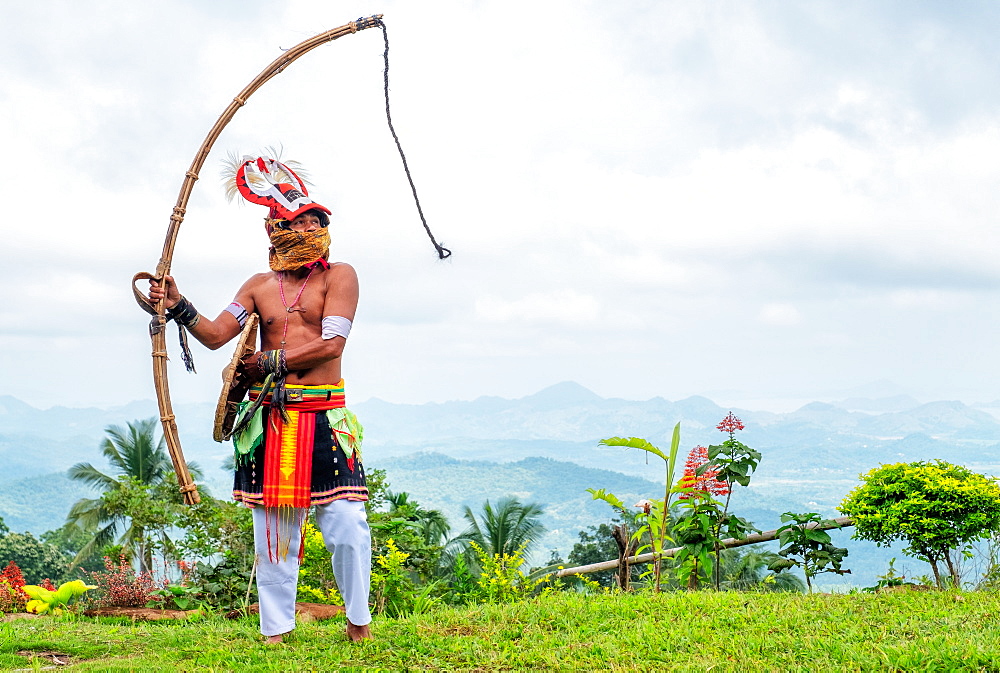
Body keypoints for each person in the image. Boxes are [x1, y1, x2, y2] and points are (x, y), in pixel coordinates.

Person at [148, 156, 372, 643]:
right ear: (276, 228)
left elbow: (332, 345)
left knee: (347, 525)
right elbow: (214, 335)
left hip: (322, 416)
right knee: (273, 534)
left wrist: (269, 364)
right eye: (299, 221)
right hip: (269, 422)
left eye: (316, 221)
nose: (310, 227)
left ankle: (358, 624)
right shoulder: (257, 286)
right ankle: (276, 631)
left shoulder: (341, 277)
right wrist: (177, 305)